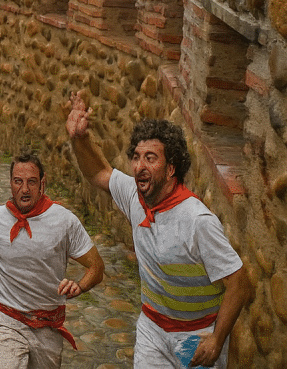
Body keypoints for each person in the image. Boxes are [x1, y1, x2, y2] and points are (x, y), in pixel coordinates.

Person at [65, 93, 252, 368]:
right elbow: (98, 174)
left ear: (171, 168)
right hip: (152, 330)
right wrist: (79, 138)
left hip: (195, 335)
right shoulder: (134, 196)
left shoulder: (197, 220)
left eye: (151, 158)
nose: (140, 166)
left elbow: (240, 283)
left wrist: (216, 339)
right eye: (137, 157)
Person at [0, 150, 104, 368]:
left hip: (48, 325)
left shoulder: (64, 221)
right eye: (18, 182)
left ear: (42, 184)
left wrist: (79, 286)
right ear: (10, 183)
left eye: (32, 182)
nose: (25, 189)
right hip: (7, 320)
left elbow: (96, 267)